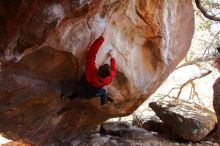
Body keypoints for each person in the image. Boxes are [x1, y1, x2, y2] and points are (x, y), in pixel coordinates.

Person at [68, 33, 117, 105]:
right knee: (103, 91)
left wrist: (102, 38)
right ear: (108, 74)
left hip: (80, 88)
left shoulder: (91, 71)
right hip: (90, 94)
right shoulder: (108, 79)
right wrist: (112, 58)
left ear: (100, 66)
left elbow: (91, 54)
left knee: (79, 92)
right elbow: (114, 71)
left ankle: (70, 97)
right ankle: (104, 103)